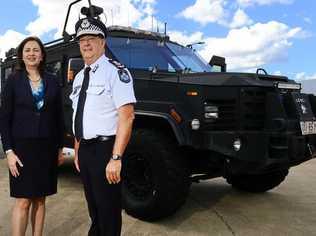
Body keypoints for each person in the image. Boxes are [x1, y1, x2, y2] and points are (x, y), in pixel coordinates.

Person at [70, 17, 136, 236]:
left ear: (103, 42)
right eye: (82, 40)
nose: (86, 44)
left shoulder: (116, 72)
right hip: (86, 150)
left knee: (108, 210)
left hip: (105, 150)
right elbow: (80, 115)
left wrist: (116, 158)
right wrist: (78, 149)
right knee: (94, 209)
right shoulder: (79, 76)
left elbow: (127, 117)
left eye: (91, 39)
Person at [0, 36, 64, 236]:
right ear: (21, 55)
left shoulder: (52, 81)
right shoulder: (13, 81)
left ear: (42, 54)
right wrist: (9, 151)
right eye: (27, 50)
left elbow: (58, 117)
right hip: (21, 150)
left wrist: (60, 148)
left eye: (36, 50)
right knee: (23, 200)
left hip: (46, 149)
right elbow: (4, 119)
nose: (31, 53)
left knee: (40, 199)